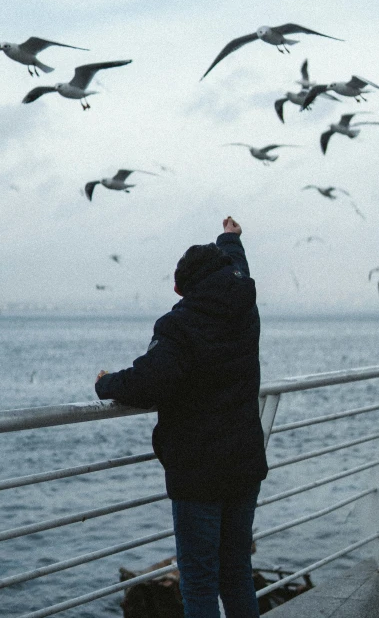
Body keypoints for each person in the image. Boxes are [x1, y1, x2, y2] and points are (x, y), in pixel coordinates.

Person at [95, 216, 268, 618]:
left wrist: (105, 384)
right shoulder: (245, 304)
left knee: (200, 578)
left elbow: (146, 382)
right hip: (244, 462)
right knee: (236, 571)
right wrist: (230, 238)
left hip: (199, 471)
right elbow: (236, 267)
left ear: (179, 288)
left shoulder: (180, 324)